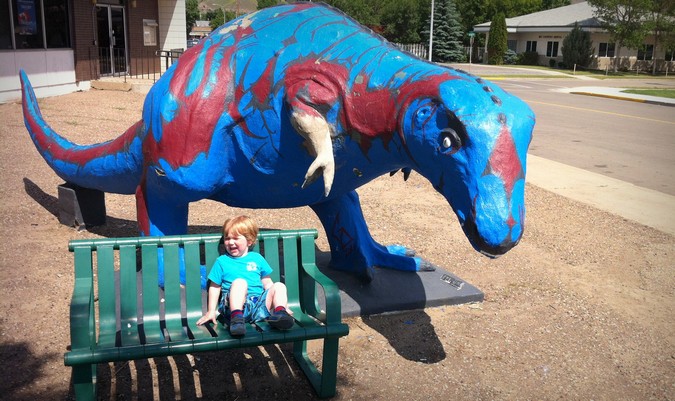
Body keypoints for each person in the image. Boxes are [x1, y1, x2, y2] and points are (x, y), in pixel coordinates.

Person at [196, 215, 294, 336]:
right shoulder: (222, 261)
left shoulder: (257, 259)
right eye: (227, 238)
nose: (230, 242)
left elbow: (268, 284)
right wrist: (211, 311)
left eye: (236, 238)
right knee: (240, 283)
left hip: (258, 306)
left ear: (249, 241)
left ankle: (280, 314)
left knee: (279, 286)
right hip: (233, 308)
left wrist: (283, 305)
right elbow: (215, 287)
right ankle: (237, 320)